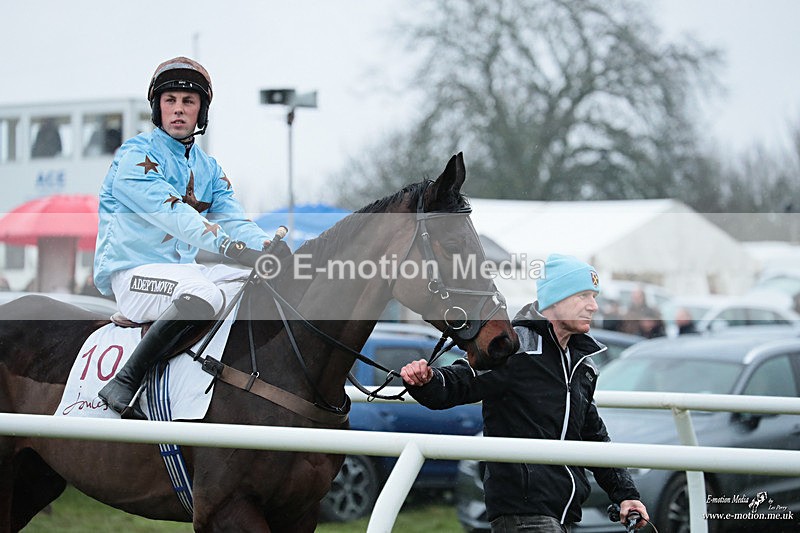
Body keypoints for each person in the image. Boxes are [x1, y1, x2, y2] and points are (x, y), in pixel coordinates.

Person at [94, 57, 289, 419]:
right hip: (133, 273)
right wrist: (231, 248)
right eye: (170, 100)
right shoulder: (135, 155)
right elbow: (174, 214)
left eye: (188, 102)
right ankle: (126, 379)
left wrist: (267, 249)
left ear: (201, 112)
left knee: (252, 284)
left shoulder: (208, 167)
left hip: (182, 274)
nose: (179, 110)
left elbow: (233, 217)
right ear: (158, 107)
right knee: (204, 295)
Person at [400, 254, 648, 532]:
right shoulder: (514, 346)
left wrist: (626, 494)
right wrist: (426, 380)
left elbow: (593, 436)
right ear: (556, 299)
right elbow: (460, 382)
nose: (594, 306)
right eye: (584, 296)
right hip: (522, 511)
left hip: (564, 513)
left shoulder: (582, 363)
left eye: (594, 296)